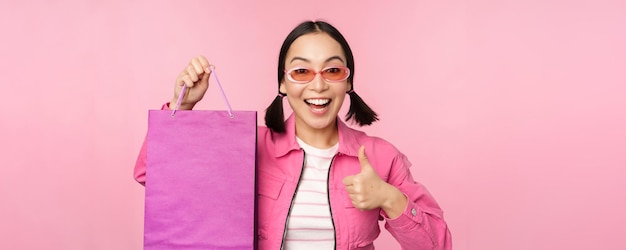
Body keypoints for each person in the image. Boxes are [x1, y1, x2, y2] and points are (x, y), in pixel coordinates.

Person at [134, 20, 451, 249]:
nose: (318, 84)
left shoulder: (380, 156)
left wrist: (389, 198)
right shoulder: (249, 146)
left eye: (332, 70)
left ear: (348, 82)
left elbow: (438, 244)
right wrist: (183, 108)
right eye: (301, 71)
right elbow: (153, 176)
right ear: (283, 84)